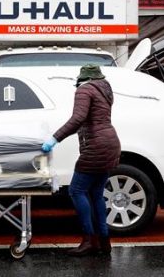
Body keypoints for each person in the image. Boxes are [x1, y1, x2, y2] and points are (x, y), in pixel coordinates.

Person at [41, 64, 120, 257]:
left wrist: (54, 138)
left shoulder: (84, 89)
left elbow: (78, 118)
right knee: (96, 194)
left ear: (82, 79)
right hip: (110, 144)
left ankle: (89, 241)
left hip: (96, 147)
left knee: (76, 190)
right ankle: (104, 241)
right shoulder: (105, 89)